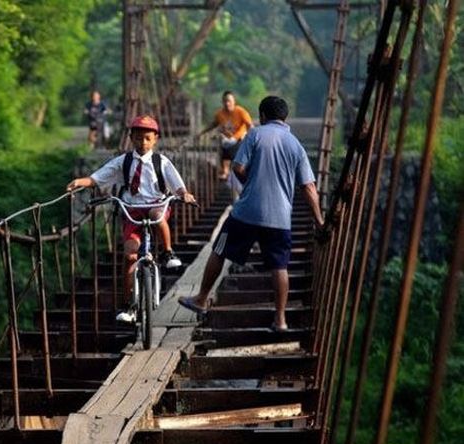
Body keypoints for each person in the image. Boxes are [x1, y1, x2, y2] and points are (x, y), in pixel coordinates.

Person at [179, 96, 323, 331]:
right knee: (280, 266)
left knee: (219, 249)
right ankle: (281, 319)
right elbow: (309, 187)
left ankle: (202, 298)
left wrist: (250, 186)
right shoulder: (296, 144)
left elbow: (237, 167)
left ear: (263, 116)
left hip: (247, 212)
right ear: (284, 117)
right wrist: (319, 220)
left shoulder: (255, 134)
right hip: (280, 218)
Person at [67, 115, 196, 323]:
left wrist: (184, 194)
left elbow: (177, 183)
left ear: (155, 139)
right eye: (138, 138)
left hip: (156, 204)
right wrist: (81, 181)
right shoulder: (124, 162)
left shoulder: (160, 162)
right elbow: (100, 176)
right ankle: (129, 305)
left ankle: (167, 252)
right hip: (132, 210)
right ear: (131, 138)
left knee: (157, 215)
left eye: (147, 138)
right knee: (129, 255)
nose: (142, 143)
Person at [197, 91, 254, 198]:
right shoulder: (220, 114)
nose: (227, 104)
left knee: (237, 164)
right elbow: (213, 124)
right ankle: (225, 170)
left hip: (238, 141)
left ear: (233, 101)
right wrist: (201, 133)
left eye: (229, 101)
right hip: (225, 142)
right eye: (225, 101)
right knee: (221, 141)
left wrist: (254, 137)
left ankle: (239, 178)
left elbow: (249, 125)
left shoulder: (240, 111)